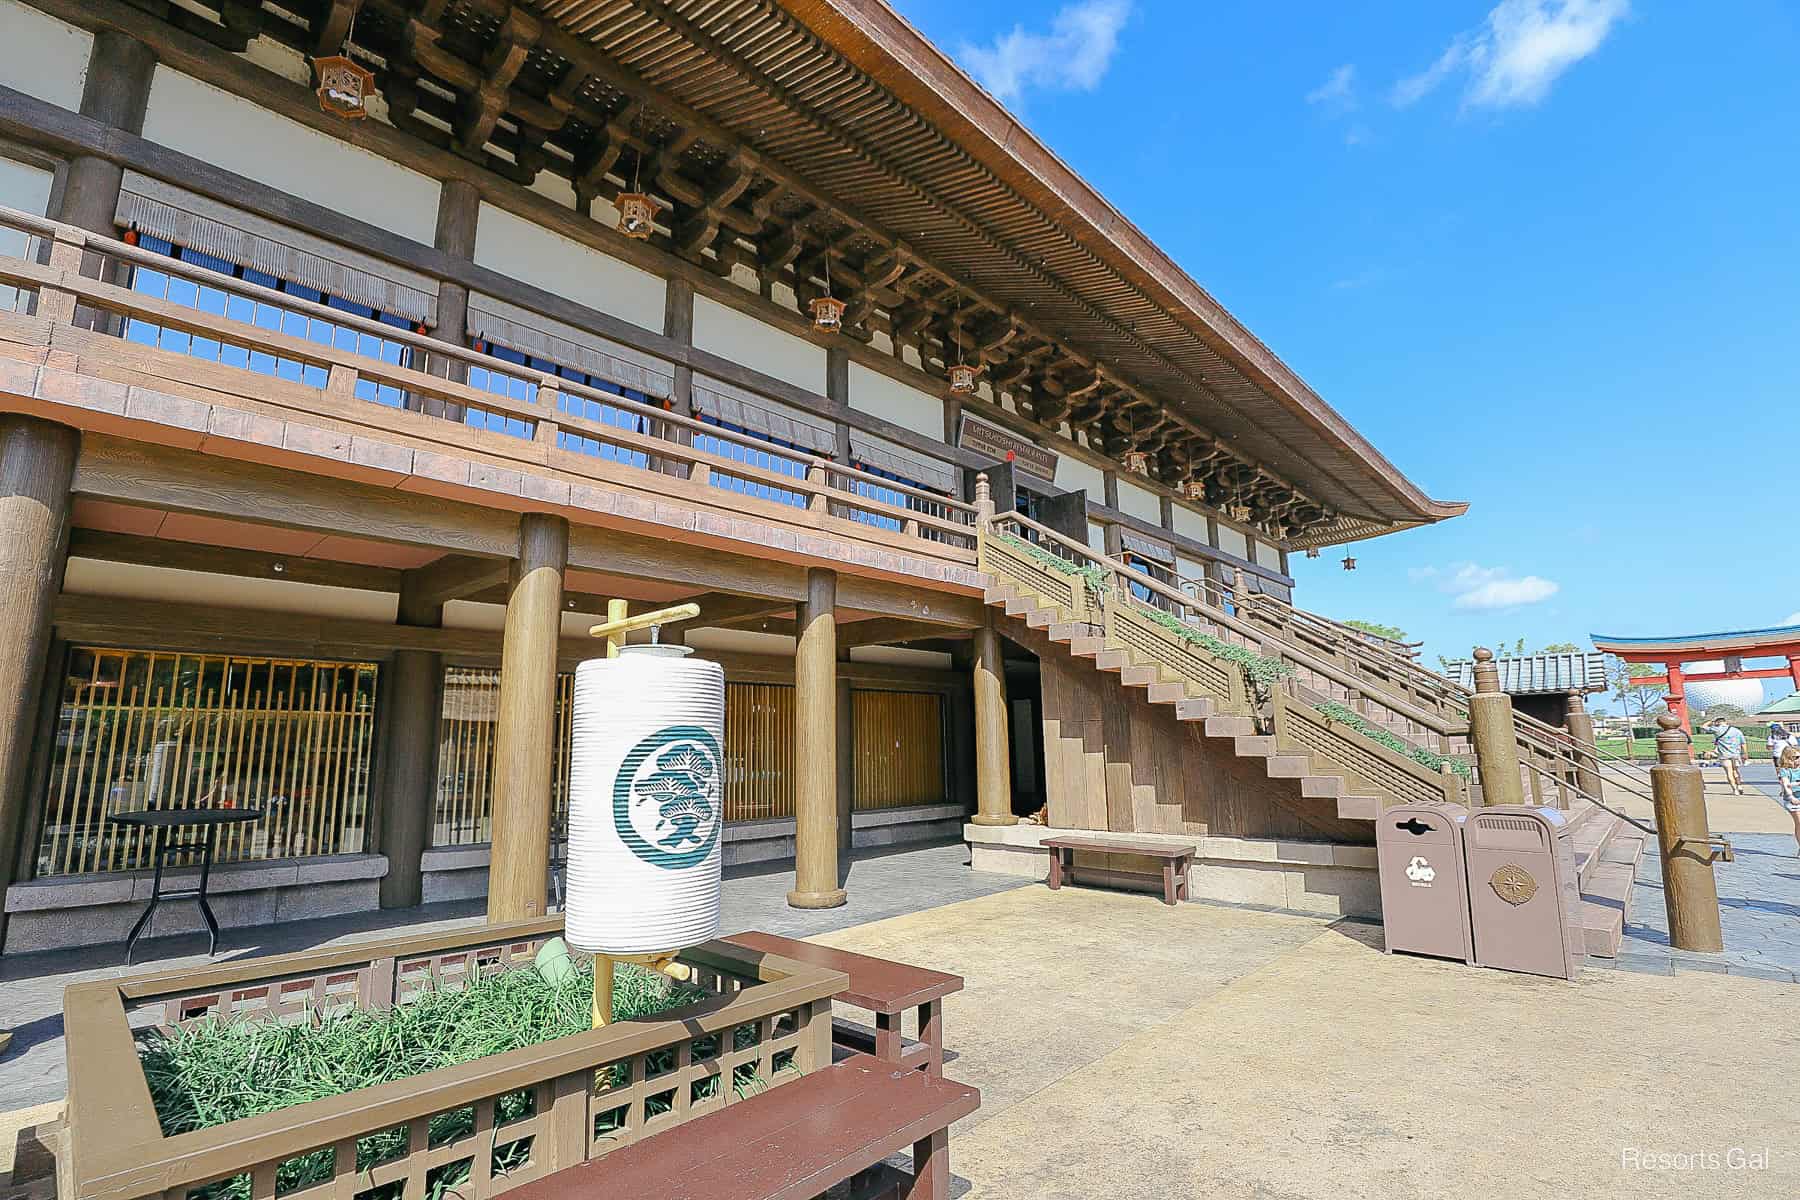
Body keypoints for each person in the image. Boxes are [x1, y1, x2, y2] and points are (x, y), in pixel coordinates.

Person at [1705, 718, 1748, 795]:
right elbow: (1743, 743)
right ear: (1725, 722)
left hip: (1724, 755)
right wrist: (1745, 753)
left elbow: (1704, 727)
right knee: (1735, 770)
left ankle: (1735, 790)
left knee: (1729, 772)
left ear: (1717, 723)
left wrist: (1711, 721)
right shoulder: (1737, 731)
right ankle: (1739, 786)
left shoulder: (1717, 730)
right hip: (1735, 754)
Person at [1777, 746, 1800, 853]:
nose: (1797, 759)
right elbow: (1786, 785)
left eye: (1798, 757)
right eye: (1794, 757)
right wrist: (1791, 797)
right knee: (1799, 822)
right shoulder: (1784, 770)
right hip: (1793, 799)